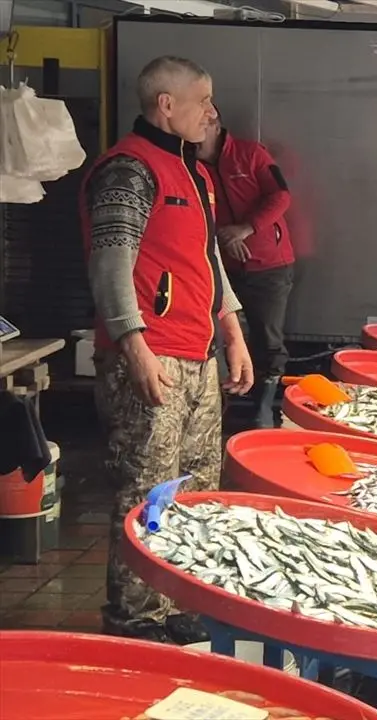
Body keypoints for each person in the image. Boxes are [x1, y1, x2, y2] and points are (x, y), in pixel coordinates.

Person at [82, 56, 253, 644]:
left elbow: (207, 261)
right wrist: (134, 348)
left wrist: (231, 331)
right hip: (154, 357)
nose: (212, 112)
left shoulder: (195, 174)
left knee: (195, 485)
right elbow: (111, 267)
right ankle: (135, 619)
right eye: (203, 100)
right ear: (166, 105)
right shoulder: (128, 171)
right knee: (146, 488)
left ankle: (179, 601)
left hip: (198, 354)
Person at [197, 107, 294, 429]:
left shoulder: (250, 154)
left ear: (213, 122)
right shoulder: (188, 163)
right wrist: (223, 239)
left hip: (268, 265)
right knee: (213, 336)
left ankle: (263, 411)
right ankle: (216, 410)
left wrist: (245, 229)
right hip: (217, 264)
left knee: (267, 339)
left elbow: (281, 197)